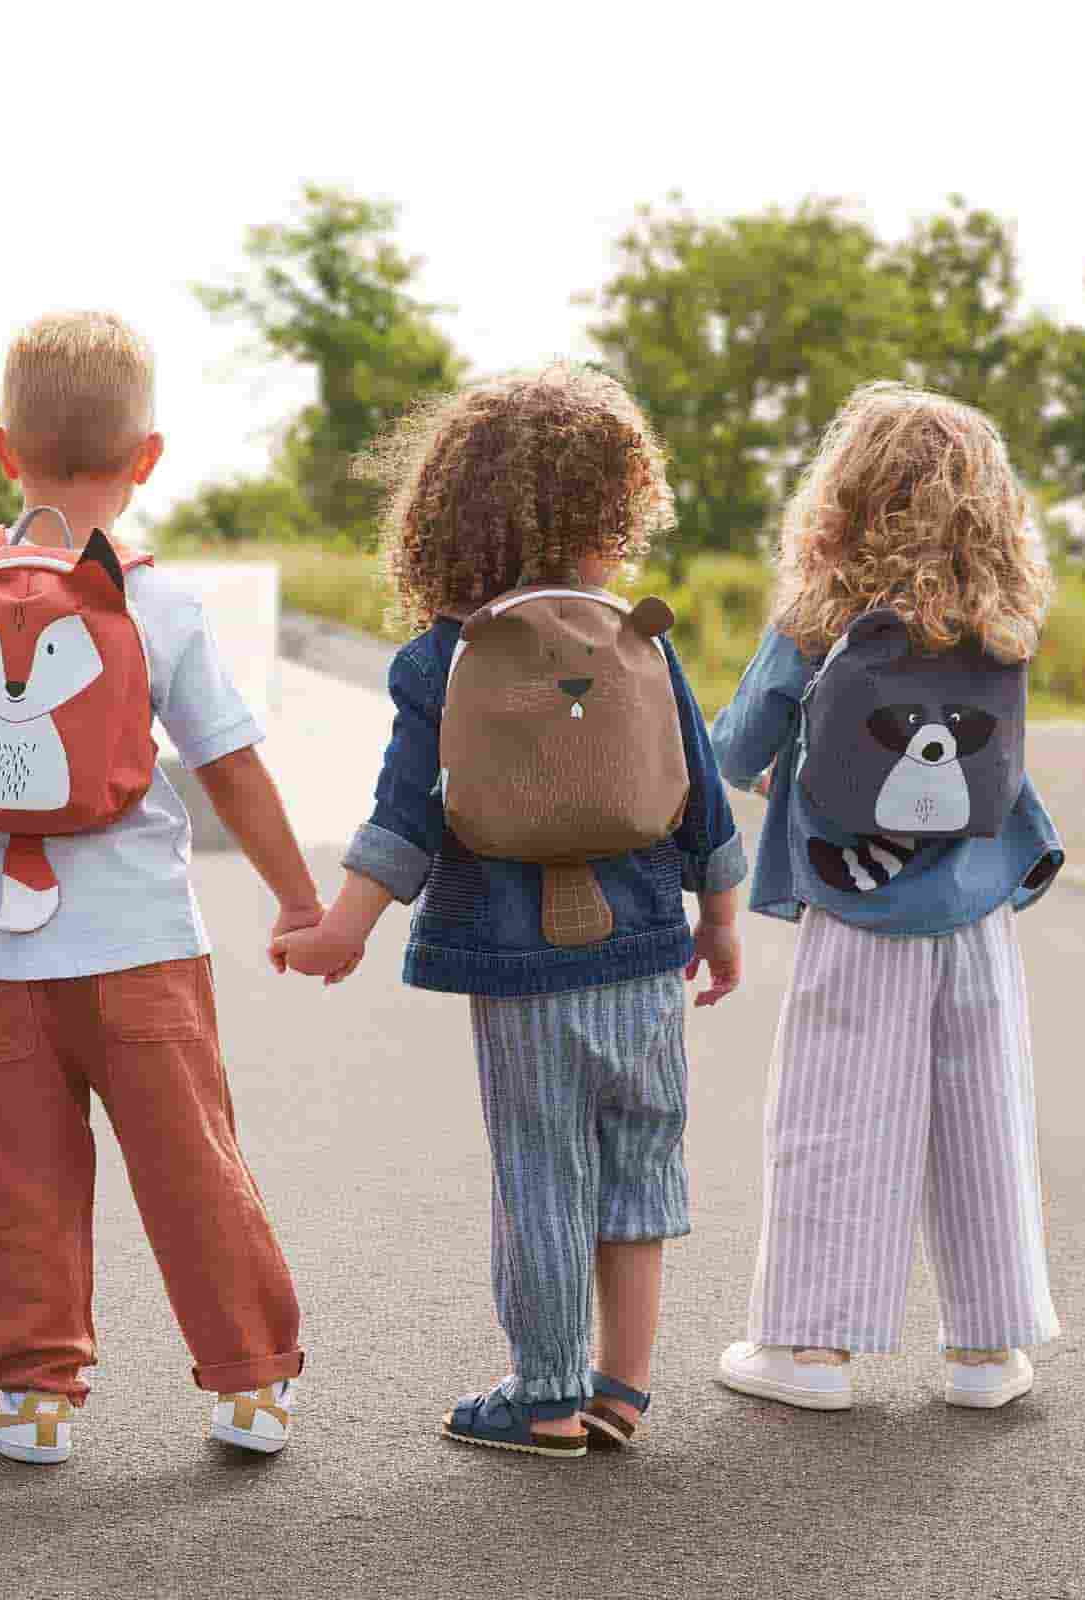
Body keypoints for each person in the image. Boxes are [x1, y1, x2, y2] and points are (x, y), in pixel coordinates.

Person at [0, 310, 313, 1464]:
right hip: (146, 946)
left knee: (11, 1178)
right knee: (193, 1164)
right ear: (147, 458)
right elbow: (229, 764)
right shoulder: (154, 604)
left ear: (5, 449)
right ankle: (251, 1381)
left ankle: (33, 1393)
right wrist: (300, 899)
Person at [274, 366, 746, 1454]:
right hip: (645, 961)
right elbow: (704, 803)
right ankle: (623, 1389)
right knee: (639, 1164)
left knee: (544, 1175)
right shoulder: (641, 637)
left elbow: (405, 817)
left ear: (448, 516)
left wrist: (342, 928)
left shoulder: (447, 656)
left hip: (520, 970)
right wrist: (718, 927)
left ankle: (543, 1395)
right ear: (616, 510)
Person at [709, 380, 1062, 1413]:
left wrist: (799, 769)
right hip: (975, 910)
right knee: (982, 1117)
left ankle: (812, 1350)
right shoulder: (1002, 625)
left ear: (845, 496)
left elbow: (739, 748)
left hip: (856, 907)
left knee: (835, 1116)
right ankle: (987, 1353)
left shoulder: (822, 615)